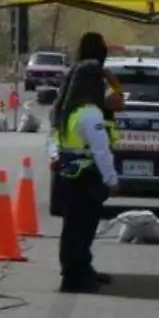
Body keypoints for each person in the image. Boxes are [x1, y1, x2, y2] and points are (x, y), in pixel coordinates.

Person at [51, 62, 120, 293]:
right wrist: (112, 180)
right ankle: (75, 277)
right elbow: (101, 151)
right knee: (81, 230)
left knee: (73, 229)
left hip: (69, 176)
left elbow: (53, 141)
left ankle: (78, 270)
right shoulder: (90, 113)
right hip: (86, 179)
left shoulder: (67, 111)